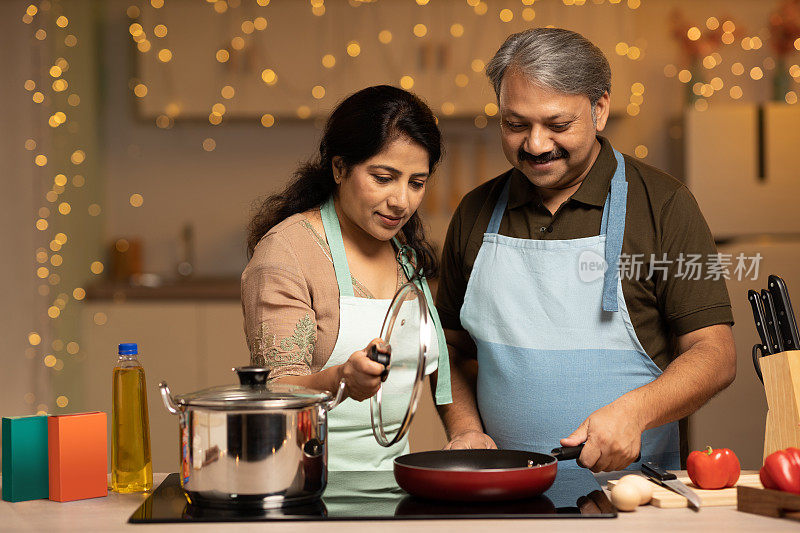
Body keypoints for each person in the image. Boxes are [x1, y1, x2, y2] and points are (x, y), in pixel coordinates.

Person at [435, 28, 736, 472]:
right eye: (515, 125)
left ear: (599, 110)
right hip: (504, 498)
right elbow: (451, 349)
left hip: (639, 499)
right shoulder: (475, 211)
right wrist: (463, 428)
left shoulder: (665, 204)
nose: (535, 145)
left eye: (557, 125)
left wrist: (635, 411)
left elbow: (715, 353)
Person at [242, 85, 451, 471]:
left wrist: (466, 431)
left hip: (393, 486)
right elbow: (272, 391)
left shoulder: (403, 252)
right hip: (307, 485)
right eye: (383, 177)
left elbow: (436, 361)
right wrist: (340, 378)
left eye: (416, 183)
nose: (401, 201)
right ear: (339, 168)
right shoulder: (287, 253)